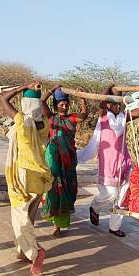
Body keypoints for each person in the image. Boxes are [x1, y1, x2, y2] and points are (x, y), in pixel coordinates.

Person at [77, 85, 139, 237]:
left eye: (120, 103)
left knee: (122, 196)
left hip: (123, 160)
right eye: (115, 103)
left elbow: (137, 112)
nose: (118, 106)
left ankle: (114, 227)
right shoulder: (104, 116)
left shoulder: (123, 117)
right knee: (110, 193)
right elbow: (101, 103)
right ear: (109, 104)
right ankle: (95, 207)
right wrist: (108, 88)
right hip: (108, 161)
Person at [2, 82, 53, 275]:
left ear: (24, 104)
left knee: (19, 219)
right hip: (39, 178)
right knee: (29, 216)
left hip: (22, 178)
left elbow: (3, 99)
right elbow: (44, 109)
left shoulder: (22, 121)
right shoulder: (43, 123)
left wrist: (21, 87)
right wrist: (43, 95)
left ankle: (35, 252)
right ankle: (22, 251)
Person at [40, 85, 88, 237]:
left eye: (66, 104)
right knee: (55, 190)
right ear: (55, 105)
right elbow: (41, 103)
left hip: (68, 161)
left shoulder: (72, 118)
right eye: (61, 104)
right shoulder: (51, 117)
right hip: (53, 160)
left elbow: (84, 115)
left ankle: (62, 222)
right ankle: (56, 226)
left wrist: (82, 98)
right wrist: (51, 90)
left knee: (68, 190)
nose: (64, 106)